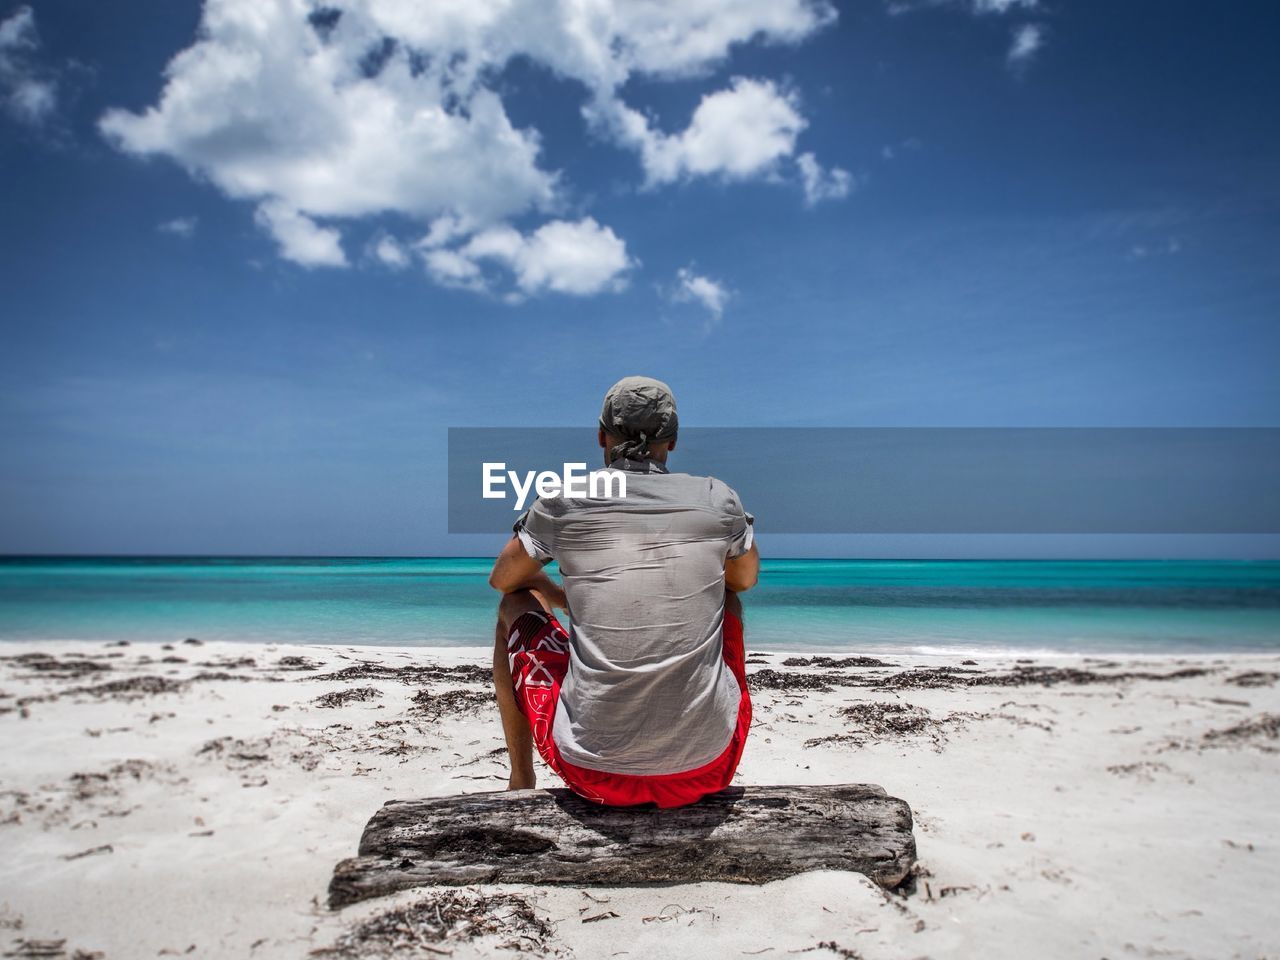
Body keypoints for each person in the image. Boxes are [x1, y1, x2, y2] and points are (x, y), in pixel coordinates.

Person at [487, 376, 759, 808]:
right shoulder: (717, 498)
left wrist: (550, 588)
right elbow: (744, 579)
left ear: (601, 436)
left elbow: (502, 579)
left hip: (591, 772)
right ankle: (701, 721)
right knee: (728, 596)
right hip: (708, 767)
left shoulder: (564, 499)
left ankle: (521, 779)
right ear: (672, 441)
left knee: (512, 604)